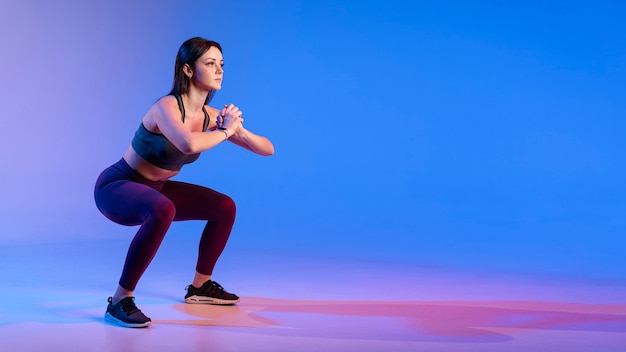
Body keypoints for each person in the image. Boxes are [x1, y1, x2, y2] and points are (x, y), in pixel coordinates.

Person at [93, 37, 274, 328]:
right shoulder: (166, 107)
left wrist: (237, 128)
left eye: (222, 65)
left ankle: (201, 287)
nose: (219, 71)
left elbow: (267, 148)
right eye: (210, 63)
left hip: (157, 190)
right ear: (188, 70)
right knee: (163, 209)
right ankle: (119, 301)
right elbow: (188, 144)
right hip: (118, 187)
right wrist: (226, 133)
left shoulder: (212, 117)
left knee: (224, 206)